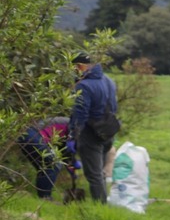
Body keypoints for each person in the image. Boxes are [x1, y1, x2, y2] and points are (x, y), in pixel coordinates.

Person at [69, 53, 118, 203]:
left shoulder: (83, 86)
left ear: (81, 66)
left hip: (91, 134)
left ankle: (101, 207)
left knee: (94, 174)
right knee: (100, 171)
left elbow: (80, 114)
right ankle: (103, 202)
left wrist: (73, 136)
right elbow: (114, 107)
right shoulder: (108, 80)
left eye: (75, 67)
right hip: (108, 131)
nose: (74, 71)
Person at [17, 117, 70, 200]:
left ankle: (42, 197)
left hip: (28, 135)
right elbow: (68, 144)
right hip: (34, 135)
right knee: (53, 165)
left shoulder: (71, 127)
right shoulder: (73, 123)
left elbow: (62, 149)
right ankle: (45, 197)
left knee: (45, 167)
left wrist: (70, 164)